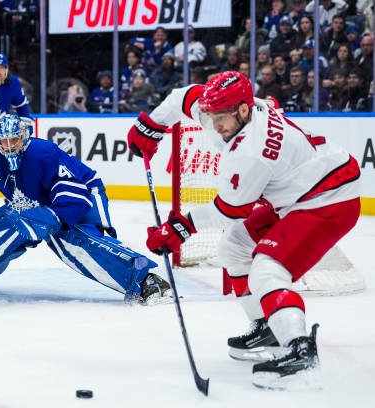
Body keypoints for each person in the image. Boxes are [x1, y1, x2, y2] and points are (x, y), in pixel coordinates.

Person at [126, 71, 360, 389]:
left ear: (243, 110)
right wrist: (150, 126)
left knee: (267, 270)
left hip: (328, 199)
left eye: (221, 117)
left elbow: (230, 210)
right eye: (210, 116)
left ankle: (300, 352)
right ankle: (268, 326)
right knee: (233, 248)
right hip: (299, 191)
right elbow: (181, 96)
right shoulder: (227, 111)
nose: (214, 124)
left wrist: (179, 228)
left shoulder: (253, 151)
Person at [0, 113, 172, 306]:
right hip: (31, 203)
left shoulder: (44, 153)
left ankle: (144, 279)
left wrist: (53, 217)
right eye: (4, 142)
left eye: (15, 140)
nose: (10, 146)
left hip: (84, 193)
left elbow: (75, 197)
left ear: (24, 137)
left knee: (72, 242)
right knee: (6, 225)